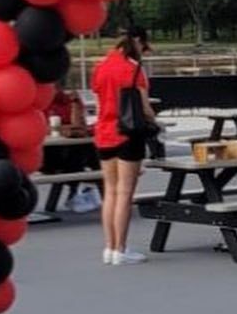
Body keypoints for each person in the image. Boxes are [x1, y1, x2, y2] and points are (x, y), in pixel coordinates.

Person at [91, 27, 157, 265]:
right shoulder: (134, 69)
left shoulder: (99, 66)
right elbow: (145, 108)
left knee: (109, 191)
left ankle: (109, 248)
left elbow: (99, 103)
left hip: (104, 134)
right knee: (125, 193)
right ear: (138, 42)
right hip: (128, 135)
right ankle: (121, 248)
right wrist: (155, 122)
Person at [41, 86, 99, 211]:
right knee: (84, 150)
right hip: (48, 154)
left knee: (84, 147)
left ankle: (78, 190)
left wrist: (75, 104)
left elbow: (79, 126)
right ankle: (78, 190)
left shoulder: (68, 100)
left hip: (70, 152)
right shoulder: (40, 104)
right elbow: (42, 128)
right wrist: (64, 129)